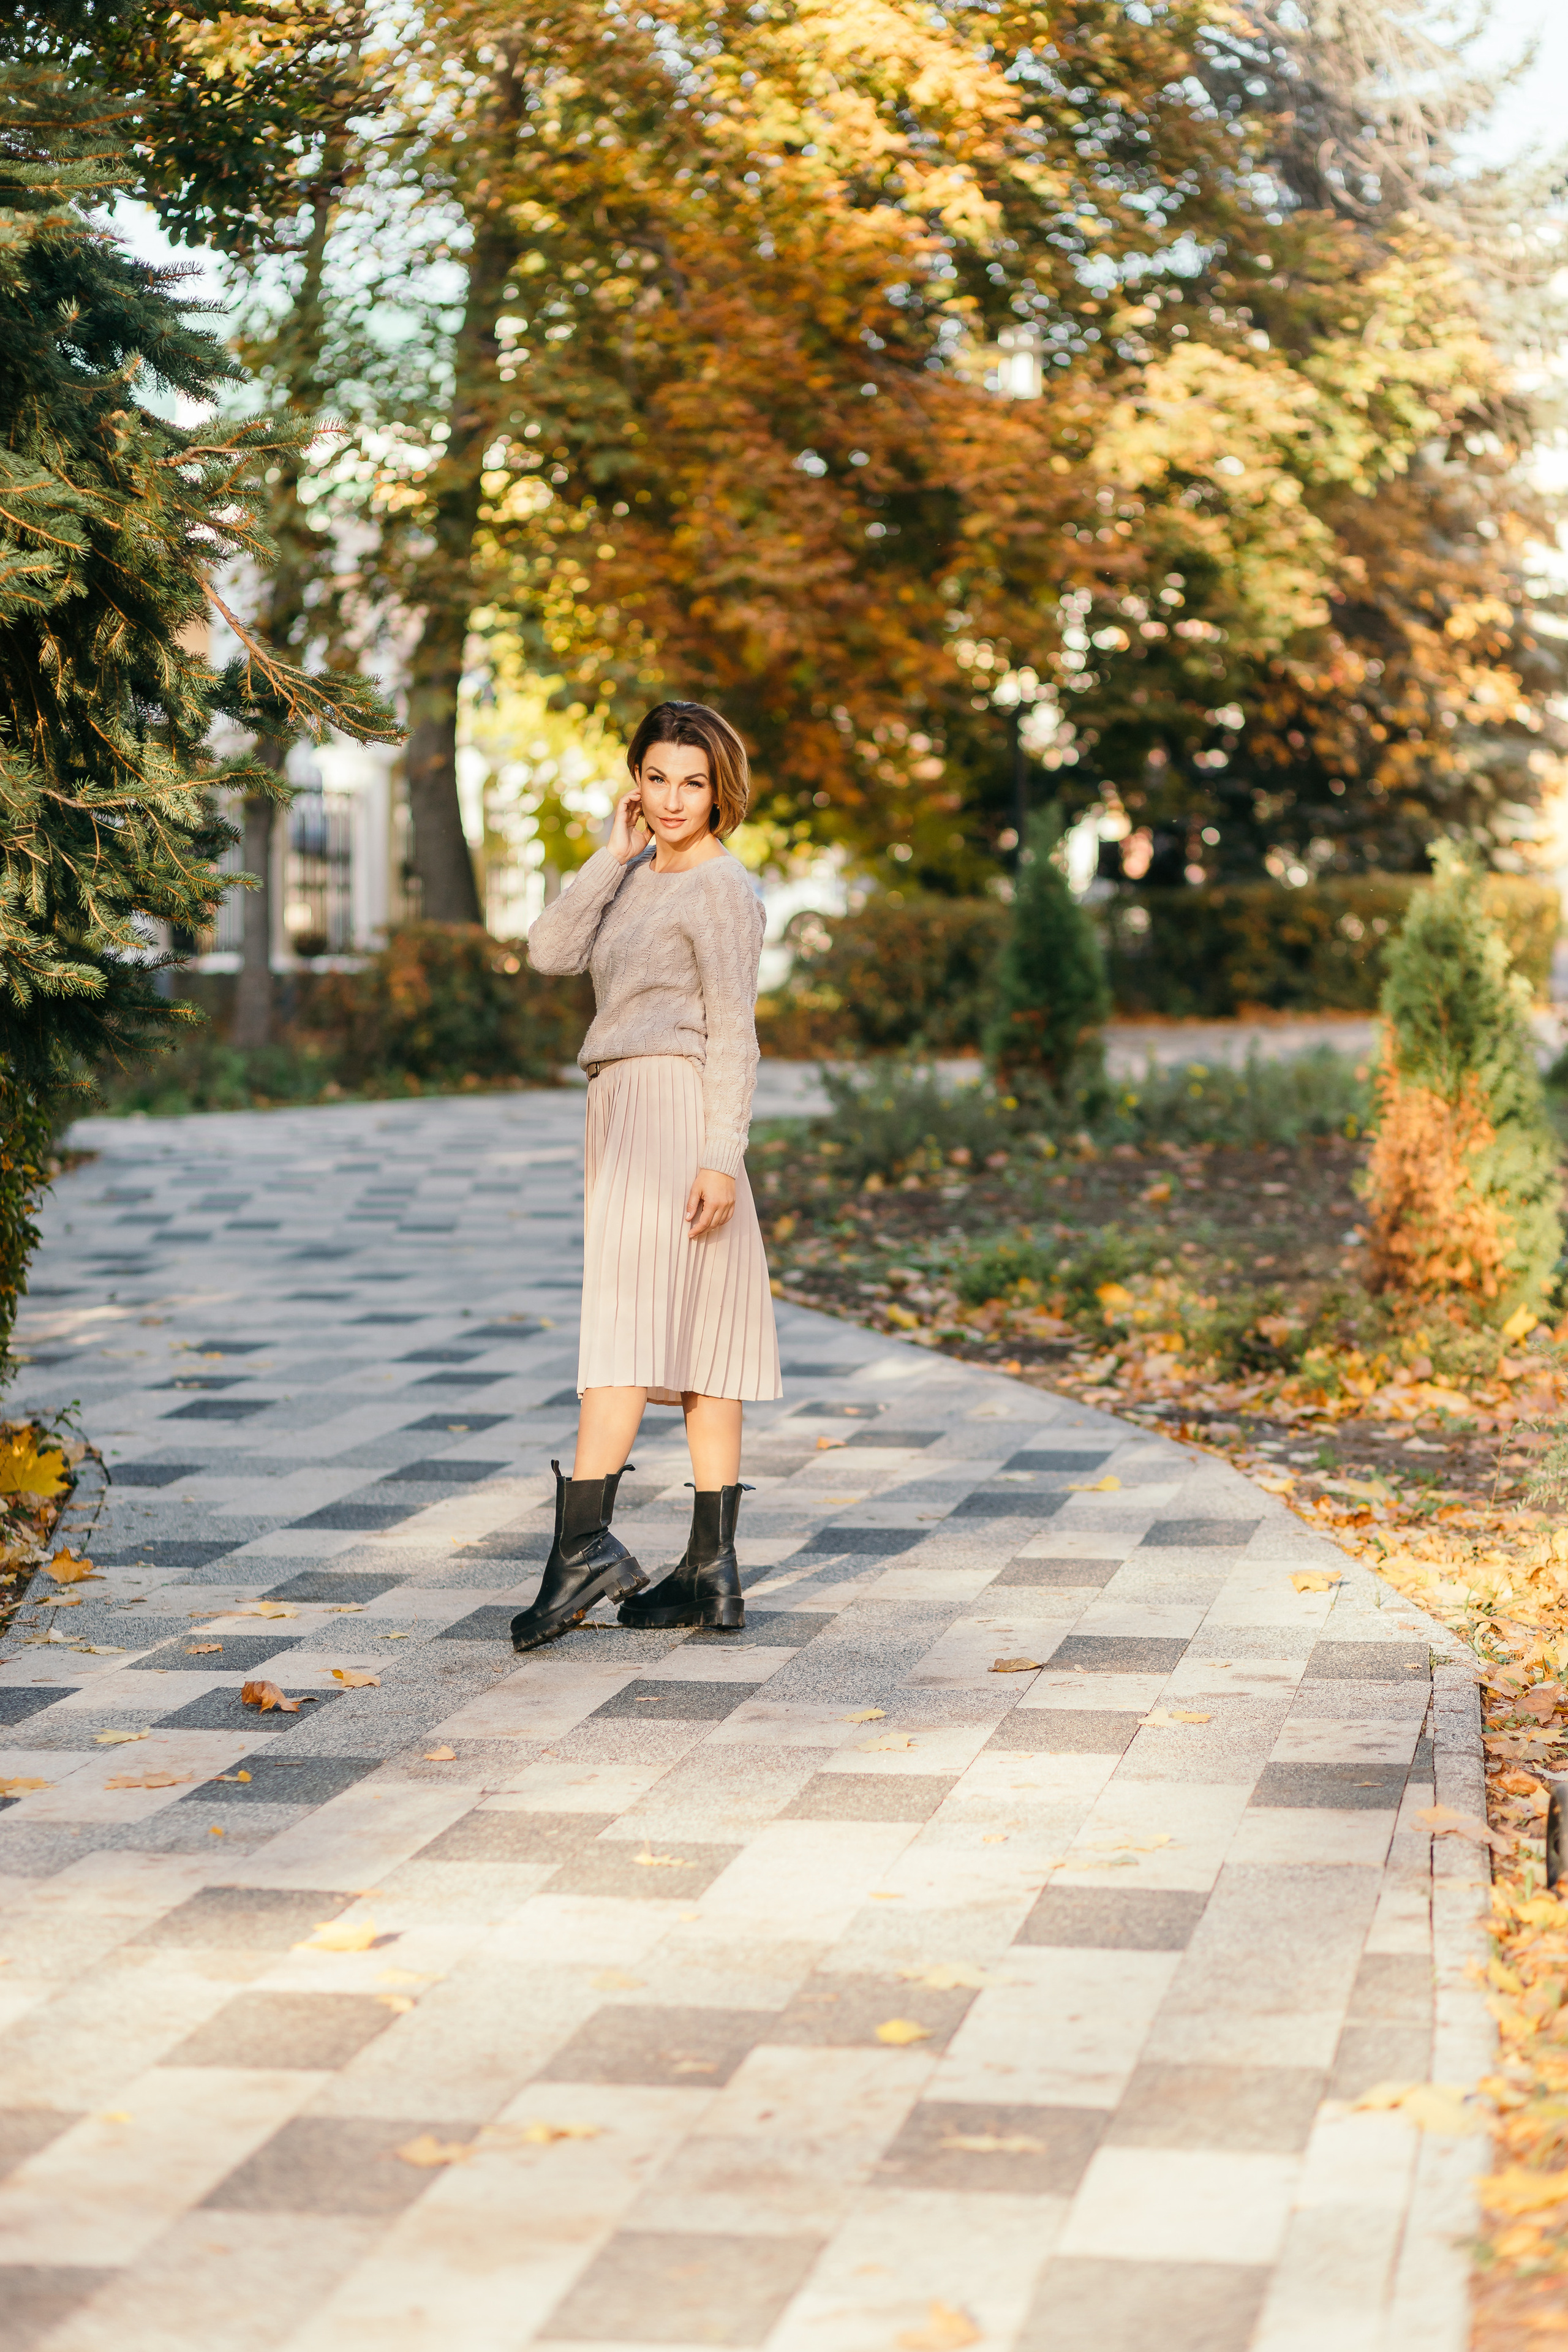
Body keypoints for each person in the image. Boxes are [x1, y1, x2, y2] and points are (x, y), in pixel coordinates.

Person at [510, 699, 782, 1651]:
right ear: (637, 781)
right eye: (657, 778)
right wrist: (610, 854)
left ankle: (582, 1551)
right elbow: (548, 951)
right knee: (696, 1335)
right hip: (624, 1110)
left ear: (721, 791)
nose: (673, 799)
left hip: (675, 1113)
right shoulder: (635, 876)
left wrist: (719, 1155)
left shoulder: (720, 888)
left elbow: (736, 1033)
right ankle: (712, 1576)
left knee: (630, 1335)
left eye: (693, 782)